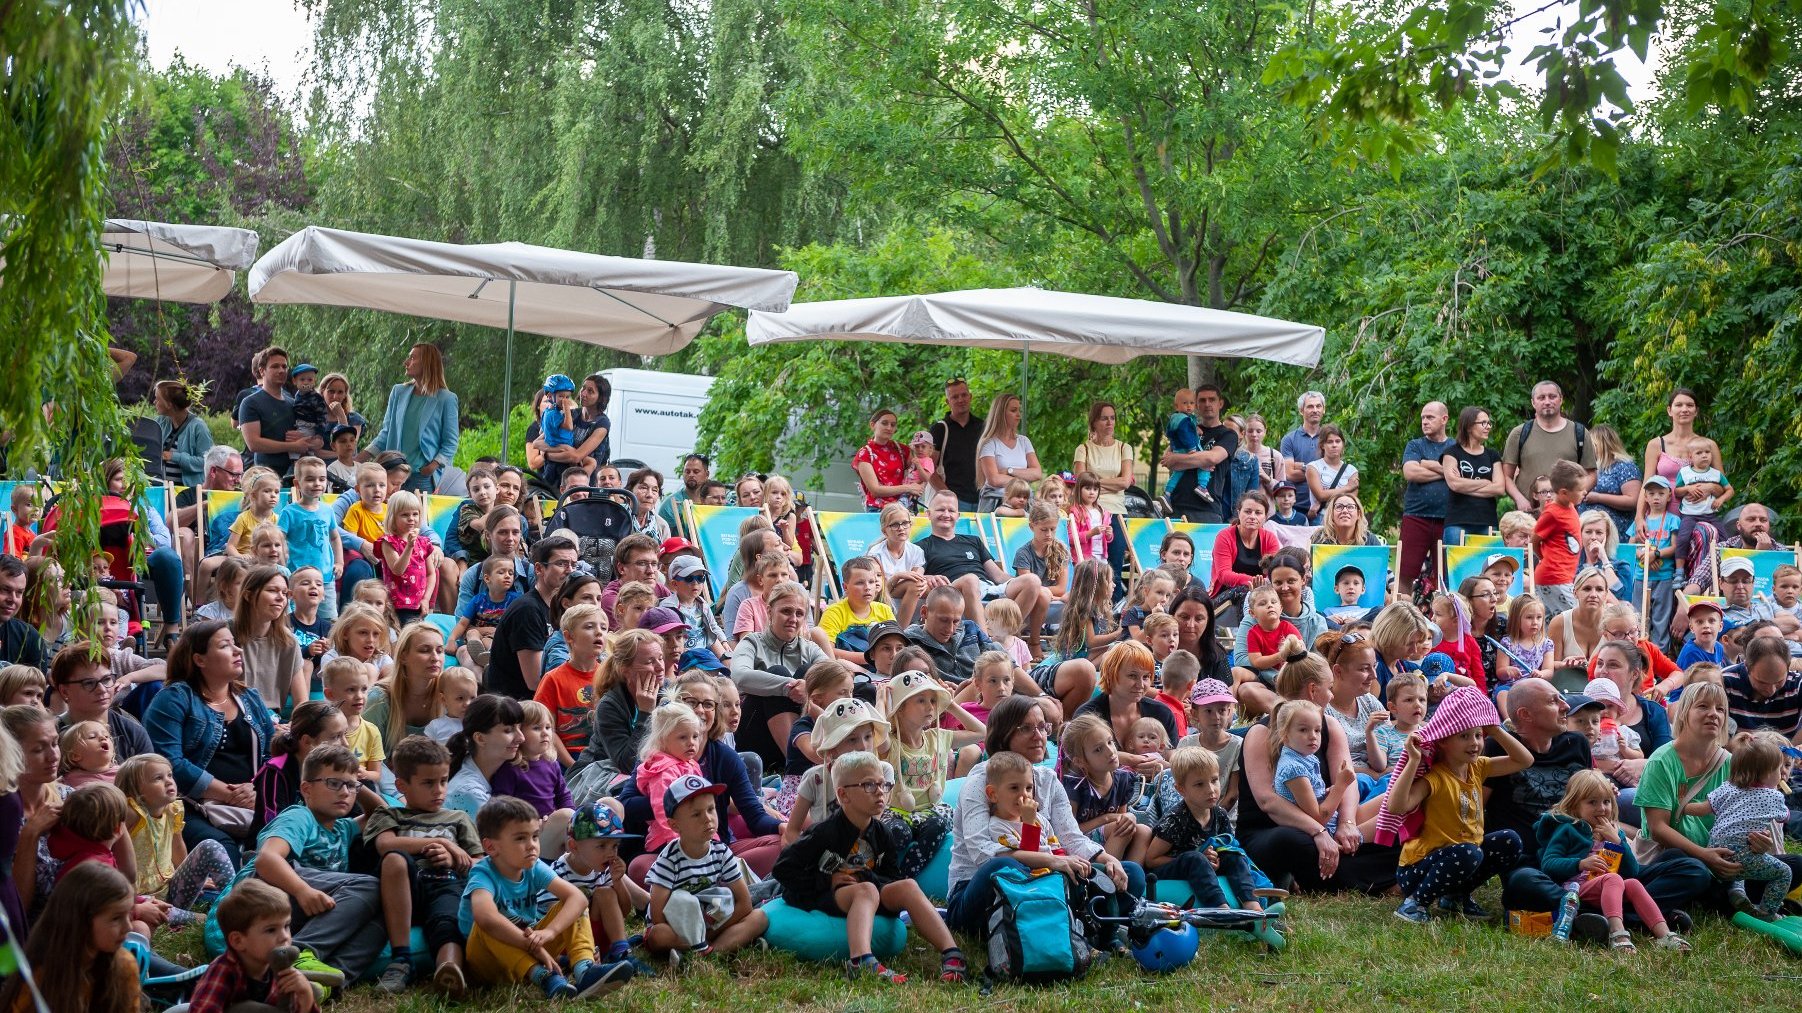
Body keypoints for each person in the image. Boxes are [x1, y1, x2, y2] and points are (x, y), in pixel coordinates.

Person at [943, 696, 1143, 934]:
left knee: (1132, 873)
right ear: (1004, 734)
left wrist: (1105, 858)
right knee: (1003, 865)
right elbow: (982, 854)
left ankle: (1087, 924)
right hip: (980, 891)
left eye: (1042, 726)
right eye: (1026, 728)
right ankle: (1084, 921)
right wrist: (1053, 861)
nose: (1039, 735)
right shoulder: (980, 781)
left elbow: (1071, 837)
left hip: (1044, 881)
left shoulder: (1047, 780)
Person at [773, 750, 968, 983]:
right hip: (825, 893)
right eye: (868, 785)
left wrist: (869, 877)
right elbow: (783, 869)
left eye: (882, 785)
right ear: (843, 795)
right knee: (867, 890)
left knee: (907, 885)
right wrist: (827, 880)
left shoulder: (882, 832)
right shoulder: (824, 832)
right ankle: (861, 962)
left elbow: (890, 876)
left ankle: (952, 954)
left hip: (867, 890)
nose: (879, 792)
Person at [218, 742, 386, 987]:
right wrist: (302, 890)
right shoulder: (299, 816)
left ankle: (325, 981)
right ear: (306, 789)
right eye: (333, 783)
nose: (344, 793)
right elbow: (267, 860)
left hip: (303, 912)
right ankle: (299, 955)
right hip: (266, 895)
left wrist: (354, 782)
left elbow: (381, 813)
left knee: (383, 910)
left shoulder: (343, 828)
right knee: (370, 886)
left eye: (350, 786)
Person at [460, 795, 634, 998]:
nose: (532, 845)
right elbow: (486, 918)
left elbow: (577, 898)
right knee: (486, 924)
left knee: (573, 903)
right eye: (520, 838)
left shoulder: (533, 866)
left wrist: (549, 932)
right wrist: (534, 948)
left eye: (534, 836)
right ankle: (544, 976)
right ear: (491, 847)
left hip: (530, 948)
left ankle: (585, 969)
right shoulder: (483, 874)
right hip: (490, 961)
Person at [1386, 687, 1533, 924]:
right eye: (1464, 736)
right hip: (1418, 870)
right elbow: (1396, 806)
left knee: (1510, 841)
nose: (1475, 743)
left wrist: (1494, 728)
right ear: (1443, 740)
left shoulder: (1478, 767)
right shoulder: (1435, 777)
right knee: (1468, 851)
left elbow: (1525, 760)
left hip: (1463, 858)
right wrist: (1413, 760)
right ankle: (1414, 903)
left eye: (1478, 735)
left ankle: (1455, 898)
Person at [143, 621, 275, 863]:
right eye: (225, 646)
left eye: (235, 644)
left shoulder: (250, 698)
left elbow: (272, 755)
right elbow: (170, 762)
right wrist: (229, 794)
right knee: (221, 848)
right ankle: (225, 902)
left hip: (251, 802)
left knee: (285, 837)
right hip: (190, 805)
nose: (238, 651)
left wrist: (258, 790)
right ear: (199, 660)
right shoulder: (174, 699)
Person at [1536, 770, 1689, 951]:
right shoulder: (1569, 829)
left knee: (1632, 883)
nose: (1602, 808)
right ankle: (1617, 933)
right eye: (1592, 802)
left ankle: (1664, 935)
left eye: (1606, 801)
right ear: (1575, 806)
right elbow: (1548, 863)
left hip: (1609, 888)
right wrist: (1580, 863)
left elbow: (1633, 871)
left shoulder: (1616, 833)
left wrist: (1618, 841)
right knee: (1614, 878)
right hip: (1577, 888)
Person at [642, 774, 769, 964]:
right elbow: (658, 913)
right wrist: (694, 933)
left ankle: (705, 952)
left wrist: (711, 932)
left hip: (712, 923)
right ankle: (709, 948)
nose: (708, 819)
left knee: (759, 918)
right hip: (676, 925)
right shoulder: (669, 860)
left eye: (711, 809)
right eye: (696, 814)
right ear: (675, 825)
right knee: (659, 935)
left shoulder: (721, 852)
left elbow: (744, 903)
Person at [0, 862, 141, 1013]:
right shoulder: (38, 981)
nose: (129, 927)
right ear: (81, 921)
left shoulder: (124, 966)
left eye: (129, 914)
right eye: (116, 918)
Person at [917, 489, 1048, 636]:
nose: (946, 514)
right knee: (971, 579)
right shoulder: (922, 546)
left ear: (958, 516)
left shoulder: (973, 541)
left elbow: (998, 576)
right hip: (955, 592)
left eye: (951, 510)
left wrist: (1029, 586)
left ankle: (1003, 636)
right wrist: (928, 577)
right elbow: (916, 577)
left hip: (987, 589)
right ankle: (985, 642)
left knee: (1033, 580)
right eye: (940, 509)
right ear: (928, 514)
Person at [488, 536, 580, 700]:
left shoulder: (561, 607)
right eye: (561, 564)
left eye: (574, 564)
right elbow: (536, 681)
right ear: (539, 569)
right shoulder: (527, 610)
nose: (570, 570)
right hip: (517, 706)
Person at [363, 342, 459, 494]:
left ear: (427, 363)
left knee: (417, 517)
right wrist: (358, 459)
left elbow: (451, 442)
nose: (406, 362)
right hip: (391, 473)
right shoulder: (398, 392)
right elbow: (386, 433)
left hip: (422, 477)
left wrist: (431, 467)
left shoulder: (446, 399)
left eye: (412, 358)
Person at [1501, 380, 1596, 512]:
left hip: (1565, 512)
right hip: (1528, 513)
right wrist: (1519, 499)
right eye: (1541, 398)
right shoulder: (1519, 433)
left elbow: (1591, 474)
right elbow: (1506, 476)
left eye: (1552, 396)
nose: (1547, 401)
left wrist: (1572, 497)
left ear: (1561, 399)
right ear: (1533, 402)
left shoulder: (1579, 433)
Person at [1071, 400, 1136, 580]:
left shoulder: (1124, 448)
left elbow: (1124, 482)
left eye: (1112, 418)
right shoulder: (1083, 449)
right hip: (1088, 511)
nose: (1109, 423)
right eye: (1104, 419)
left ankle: (1113, 605)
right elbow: (1080, 480)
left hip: (1116, 512)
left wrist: (1094, 482)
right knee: (1087, 561)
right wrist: (1108, 483)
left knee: (1114, 564)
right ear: (1094, 423)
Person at [1638, 388, 1719, 525]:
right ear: (1669, 410)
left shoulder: (1708, 445)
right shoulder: (1656, 444)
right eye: (1679, 405)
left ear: (1696, 411)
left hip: (1699, 517)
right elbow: (1646, 485)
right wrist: (1639, 517)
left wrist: (1710, 488)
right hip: (1662, 517)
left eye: (1690, 405)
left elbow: (1723, 486)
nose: (1684, 409)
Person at [237, 346, 317, 481]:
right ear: (262, 371)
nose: (281, 370)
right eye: (275, 366)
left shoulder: (294, 404)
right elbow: (253, 443)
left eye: (284, 367)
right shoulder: (250, 403)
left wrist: (304, 437)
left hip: (295, 478)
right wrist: (293, 446)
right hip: (266, 478)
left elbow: (313, 437)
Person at [1399, 401, 1456, 592]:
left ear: (1444, 419)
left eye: (1430, 417)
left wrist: (1426, 463)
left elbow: (1462, 476)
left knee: (1446, 574)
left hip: (1449, 519)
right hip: (1416, 516)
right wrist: (1447, 472)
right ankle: (1401, 615)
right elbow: (1411, 473)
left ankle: (1444, 617)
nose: (1424, 421)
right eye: (1423, 417)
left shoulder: (1457, 447)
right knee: (1405, 571)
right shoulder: (1415, 445)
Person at [1163, 383, 1238, 523]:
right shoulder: (1186, 427)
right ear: (1196, 405)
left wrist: (1179, 459)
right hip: (1175, 506)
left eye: (1212, 400)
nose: (1207, 404)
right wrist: (1199, 460)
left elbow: (1212, 458)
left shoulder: (1228, 435)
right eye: (1202, 400)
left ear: (1220, 403)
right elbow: (1167, 460)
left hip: (1207, 509)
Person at [535, 372, 612, 489]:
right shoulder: (571, 414)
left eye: (590, 391)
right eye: (583, 388)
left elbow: (576, 456)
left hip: (581, 485)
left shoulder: (602, 423)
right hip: (556, 478)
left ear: (601, 398)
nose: (583, 393)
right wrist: (564, 449)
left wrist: (547, 455)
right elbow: (540, 442)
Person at [1441, 406, 1503, 546]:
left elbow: (1499, 488)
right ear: (1469, 426)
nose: (1488, 427)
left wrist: (1464, 484)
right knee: (1456, 566)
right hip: (1457, 522)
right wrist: (1486, 482)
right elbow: (1454, 485)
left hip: (1487, 522)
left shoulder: (1492, 455)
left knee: (1488, 566)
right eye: (1483, 423)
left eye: (1489, 423)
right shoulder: (1451, 453)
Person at [1531, 460, 1587, 617]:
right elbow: (1535, 540)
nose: (1585, 492)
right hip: (1554, 577)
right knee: (1576, 618)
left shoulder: (1569, 506)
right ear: (1564, 492)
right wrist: (1544, 558)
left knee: (1555, 623)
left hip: (1564, 576)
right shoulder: (1552, 513)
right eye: (1580, 489)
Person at [973, 393, 1041, 513]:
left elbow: (1037, 473)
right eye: (1013, 410)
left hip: (1023, 502)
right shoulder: (989, 443)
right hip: (996, 502)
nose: (1019, 415)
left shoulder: (1024, 441)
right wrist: (1023, 480)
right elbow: (994, 479)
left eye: (1019, 410)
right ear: (1000, 414)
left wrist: (1010, 471)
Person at [1210, 490, 1280, 602]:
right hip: (1227, 594)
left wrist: (1261, 585)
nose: (1252, 516)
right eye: (1248, 511)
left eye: (1258, 513)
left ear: (1265, 517)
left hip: (1263, 592)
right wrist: (1255, 582)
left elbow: (1276, 572)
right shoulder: (1224, 536)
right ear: (1239, 513)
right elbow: (1224, 575)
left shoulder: (1270, 538)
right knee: (1246, 594)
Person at [929, 378, 985, 511]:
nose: (961, 400)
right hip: (953, 502)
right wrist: (948, 497)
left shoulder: (983, 426)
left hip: (982, 499)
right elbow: (929, 468)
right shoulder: (940, 429)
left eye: (964, 395)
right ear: (948, 402)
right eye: (955, 397)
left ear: (970, 397)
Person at [853, 408, 920, 512]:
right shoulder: (864, 454)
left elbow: (920, 470)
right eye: (884, 423)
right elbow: (875, 490)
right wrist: (908, 488)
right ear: (872, 425)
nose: (889, 427)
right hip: (878, 509)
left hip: (903, 508)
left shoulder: (901, 449)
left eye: (893, 425)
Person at [1583, 424, 1642, 539]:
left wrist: (1598, 498)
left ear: (1603, 445)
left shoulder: (1624, 466)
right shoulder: (1589, 467)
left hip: (1614, 533)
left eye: (1592, 445)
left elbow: (1633, 500)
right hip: (1588, 531)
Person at [154, 379, 213, 490]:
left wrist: (174, 457)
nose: (154, 402)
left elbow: (206, 462)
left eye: (157, 399)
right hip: (163, 490)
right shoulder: (160, 422)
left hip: (188, 493)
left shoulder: (199, 427)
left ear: (169, 405)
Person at [1279, 390, 1326, 518]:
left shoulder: (1329, 439)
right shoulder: (1289, 439)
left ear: (1323, 410)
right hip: (1295, 508)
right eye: (1310, 406)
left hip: (1323, 509)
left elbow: (1332, 472)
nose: (1315, 410)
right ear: (1301, 410)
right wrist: (1319, 472)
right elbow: (1290, 474)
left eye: (1318, 406)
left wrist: (1302, 466)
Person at [0, 555, 45, 669]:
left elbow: (36, 685)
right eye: (6, 590)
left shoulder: (29, 637)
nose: (13, 599)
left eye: (19, 592)